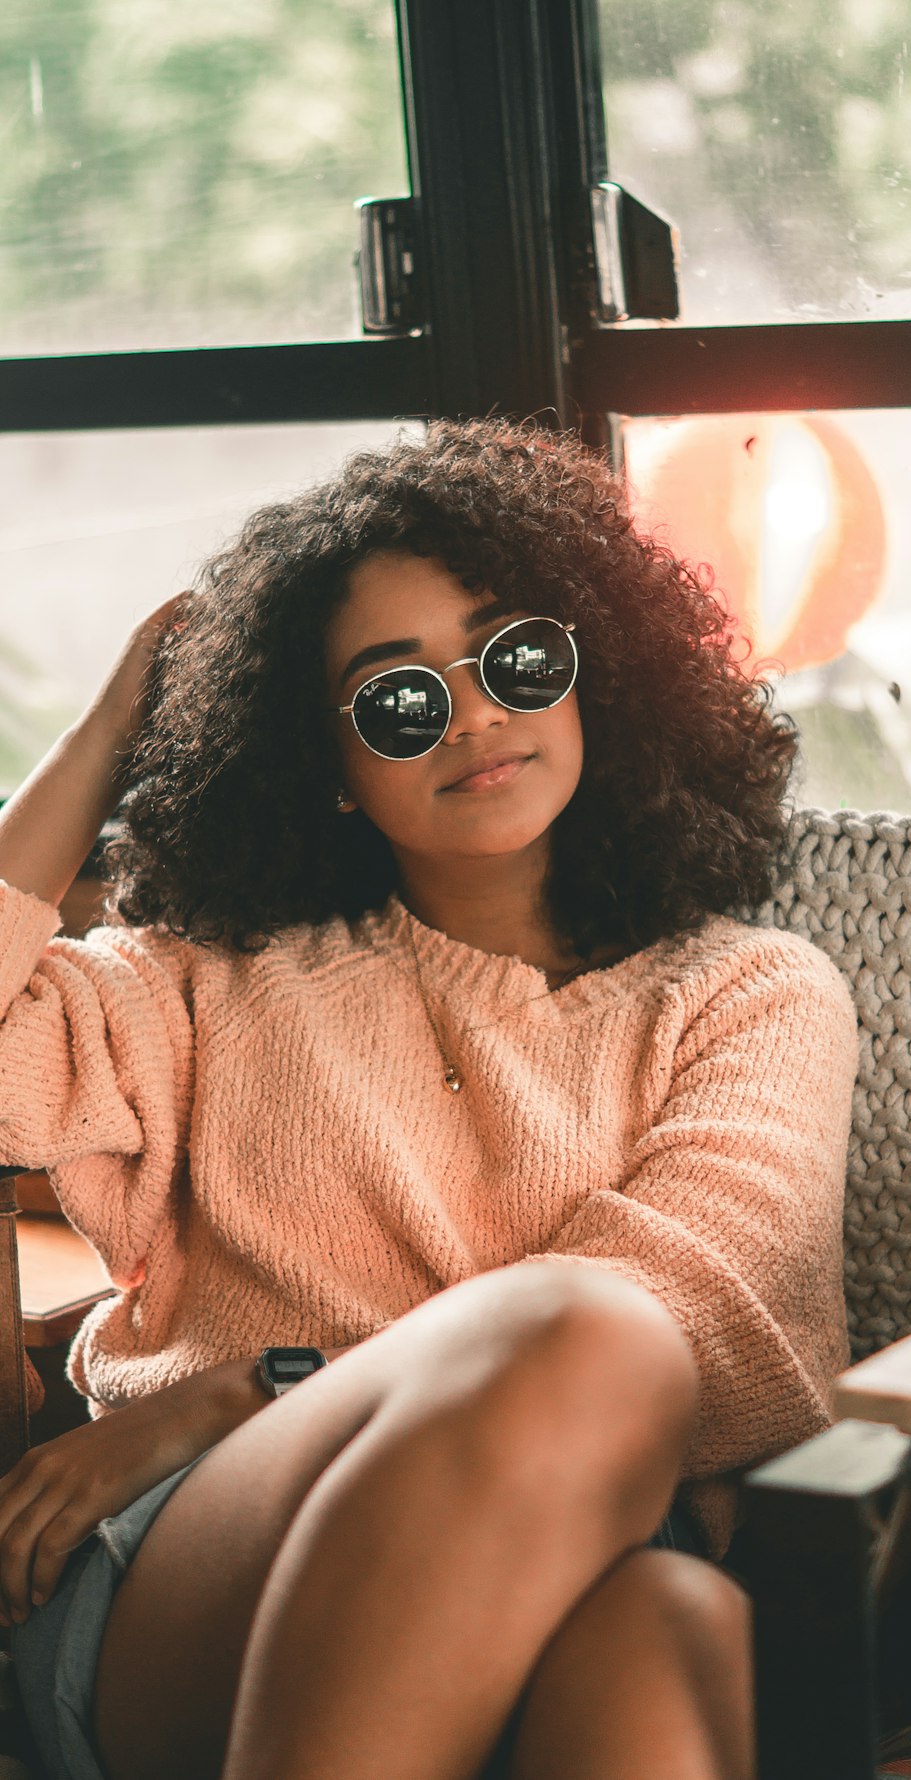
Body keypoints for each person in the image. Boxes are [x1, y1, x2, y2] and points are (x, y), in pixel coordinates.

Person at [0, 417, 858, 1780]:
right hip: (201, 1579)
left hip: (604, 1550)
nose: (474, 714)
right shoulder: (205, 988)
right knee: (586, 1331)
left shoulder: (752, 996)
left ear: (597, 683)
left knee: (661, 1622)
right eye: (398, 700)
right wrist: (111, 729)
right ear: (326, 768)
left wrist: (253, 1388)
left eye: (519, 659)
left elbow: (695, 1323)